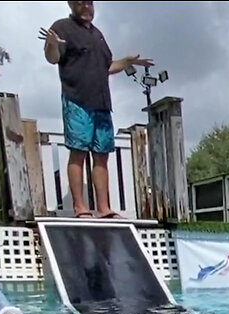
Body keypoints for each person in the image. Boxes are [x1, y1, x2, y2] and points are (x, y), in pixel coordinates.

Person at [39, 1, 152, 219]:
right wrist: (50, 45)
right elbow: (53, 58)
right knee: (78, 152)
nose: (86, 7)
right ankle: (81, 208)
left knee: (102, 156)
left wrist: (127, 62)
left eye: (89, 3)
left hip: (102, 104)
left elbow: (108, 66)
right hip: (77, 100)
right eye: (81, 4)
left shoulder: (98, 35)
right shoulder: (63, 28)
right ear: (72, 5)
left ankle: (104, 208)